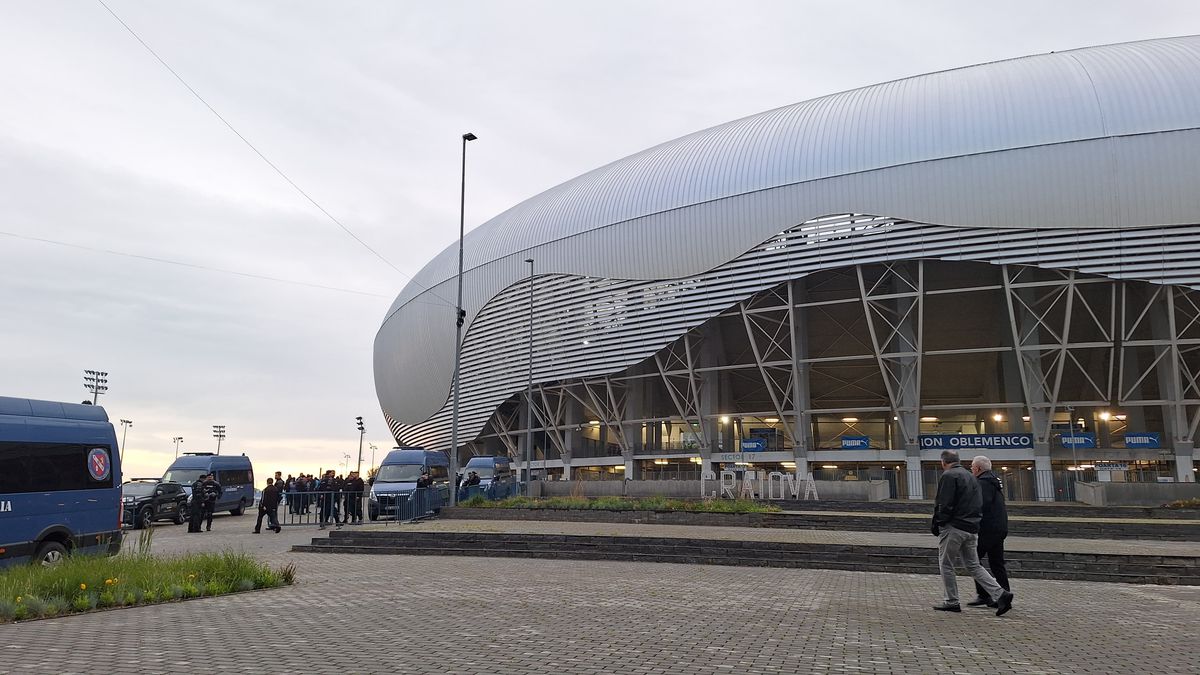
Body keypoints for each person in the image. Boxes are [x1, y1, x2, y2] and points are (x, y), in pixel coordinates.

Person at [930, 450, 1014, 616]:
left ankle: (951, 601)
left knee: (946, 564)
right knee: (974, 565)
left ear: (943, 462)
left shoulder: (949, 476)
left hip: (954, 527)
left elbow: (944, 503)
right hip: (972, 527)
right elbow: (978, 502)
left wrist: (938, 522)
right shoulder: (971, 476)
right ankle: (1001, 594)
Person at [968, 455, 1010, 607]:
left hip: (987, 529)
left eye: (972, 466)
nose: (971, 469)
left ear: (978, 468)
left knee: (973, 561)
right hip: (999, 528)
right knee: (997, 563)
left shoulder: (982, 483)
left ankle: (986, 594)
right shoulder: (994, 481)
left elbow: (980, 505)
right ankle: (1004, 594)